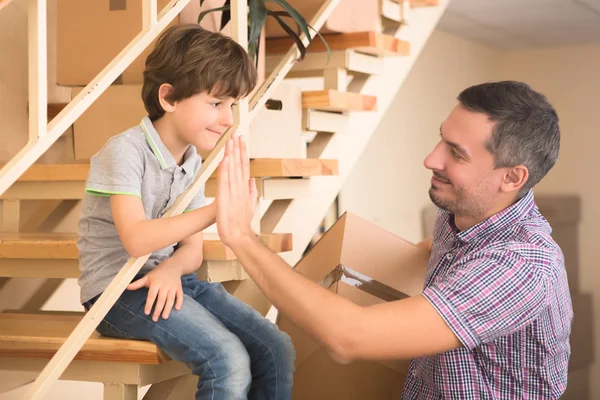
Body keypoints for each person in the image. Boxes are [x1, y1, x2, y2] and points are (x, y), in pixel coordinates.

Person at [215, 81, 573, 399]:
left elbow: (349, 337)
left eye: (456, 153)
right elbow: (441, 254)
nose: (431, 158)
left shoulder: (521, 265)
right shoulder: (466, 217)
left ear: (512, 178)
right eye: (441, 140)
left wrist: (241, 237)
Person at [77, 24, 295, 400]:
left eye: (232, 105)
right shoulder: (124, 152)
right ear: (169, 98)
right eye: (216, 104)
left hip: (169, 278)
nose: (228, 118)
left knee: (277, 348)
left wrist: (171, 268)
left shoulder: (192, 161)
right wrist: (218, 211)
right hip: (117, 291)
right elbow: (137, 239)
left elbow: (191, 249)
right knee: (226, 358)